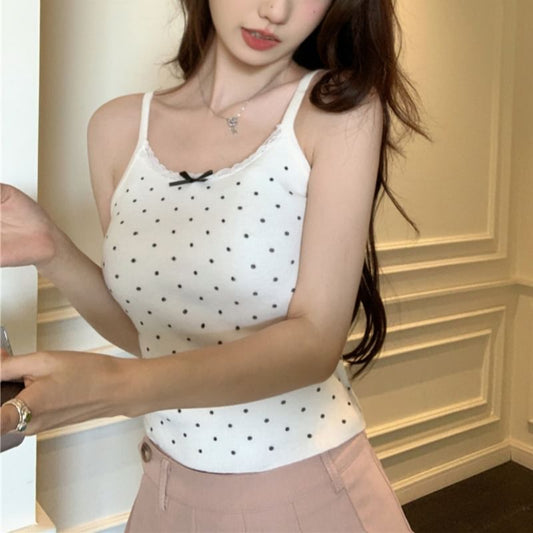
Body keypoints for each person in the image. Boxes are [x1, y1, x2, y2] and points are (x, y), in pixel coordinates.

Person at [1, 0, 426, 530]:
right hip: (164, 491)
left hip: (303, 492)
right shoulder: (116, 128)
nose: (275, 10)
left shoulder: (337, 113)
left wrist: (114, 388)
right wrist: (52, 251)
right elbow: (150, 336)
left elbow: (315, 341)